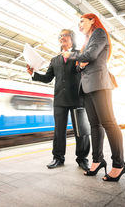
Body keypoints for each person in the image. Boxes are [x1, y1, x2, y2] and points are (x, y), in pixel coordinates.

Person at [62, 13, 125, 182]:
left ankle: (119, 164)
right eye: (78, 23)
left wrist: (72, 56)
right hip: (87, 87)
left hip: (99, 83)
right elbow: (80, 65)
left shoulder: (99, 33)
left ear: (92, 20)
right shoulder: (87, 41)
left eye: (82, 21)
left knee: (109, 123)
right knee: (94, 125)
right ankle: (97, 160)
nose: (79, 25)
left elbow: (90, 56)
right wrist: (80, 62)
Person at [27, 29, 90, 171]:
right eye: (60, 36)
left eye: (65, 35)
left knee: (81, 130)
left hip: (77, 98)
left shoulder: (79, 55)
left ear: (72, 39)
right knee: (59, 131)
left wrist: (74, 57)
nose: (62, 38)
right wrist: (34, 74)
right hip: (60, 101)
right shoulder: (55, 60)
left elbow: (85, 69)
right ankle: (58, 158)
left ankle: (82, 159)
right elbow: (47, 78)